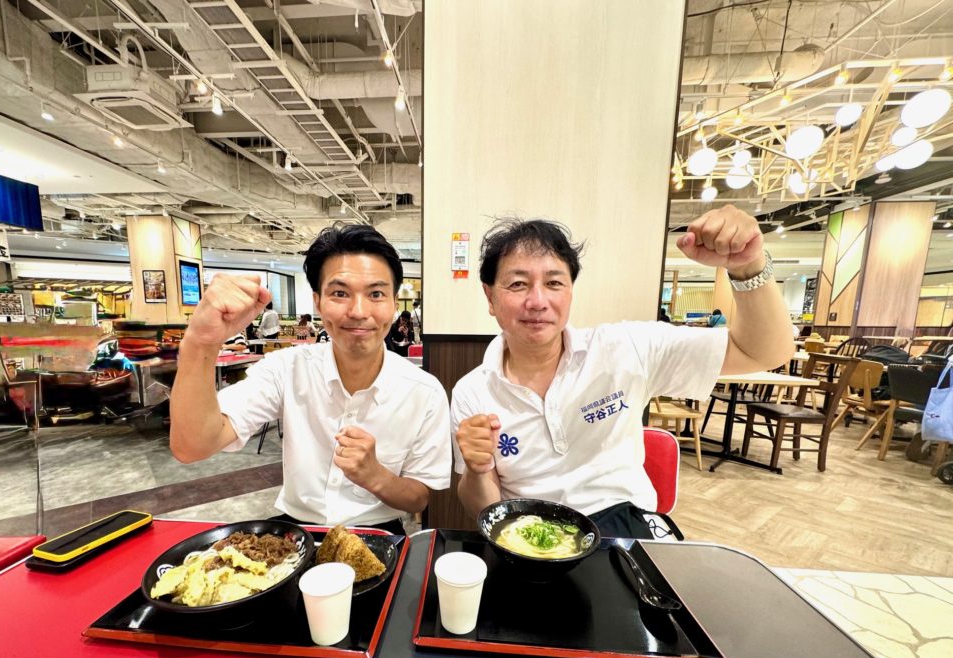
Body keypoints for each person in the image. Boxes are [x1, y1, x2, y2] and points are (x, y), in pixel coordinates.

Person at [452, 205, 793, 538]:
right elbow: (484, 508)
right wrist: (478, 470)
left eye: (554, 283)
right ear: (490, 297)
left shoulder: (627, 348)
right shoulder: (473, 391)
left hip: (626, 530)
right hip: (530, 536)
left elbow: (764, 352)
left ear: (570, 291)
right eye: (517, 284)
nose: (538, 301)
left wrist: (748, 267)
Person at [169, 224, 452, 533]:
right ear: (317, 302)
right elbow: (192, 446)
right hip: (295, 533)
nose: (359, 311)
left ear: (394, 304)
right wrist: (200, 343)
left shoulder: (424, 392)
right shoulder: (286, 368)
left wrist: (375, 476)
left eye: (376, 294)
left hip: (379, 532)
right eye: (340, 293)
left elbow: (418, 498)